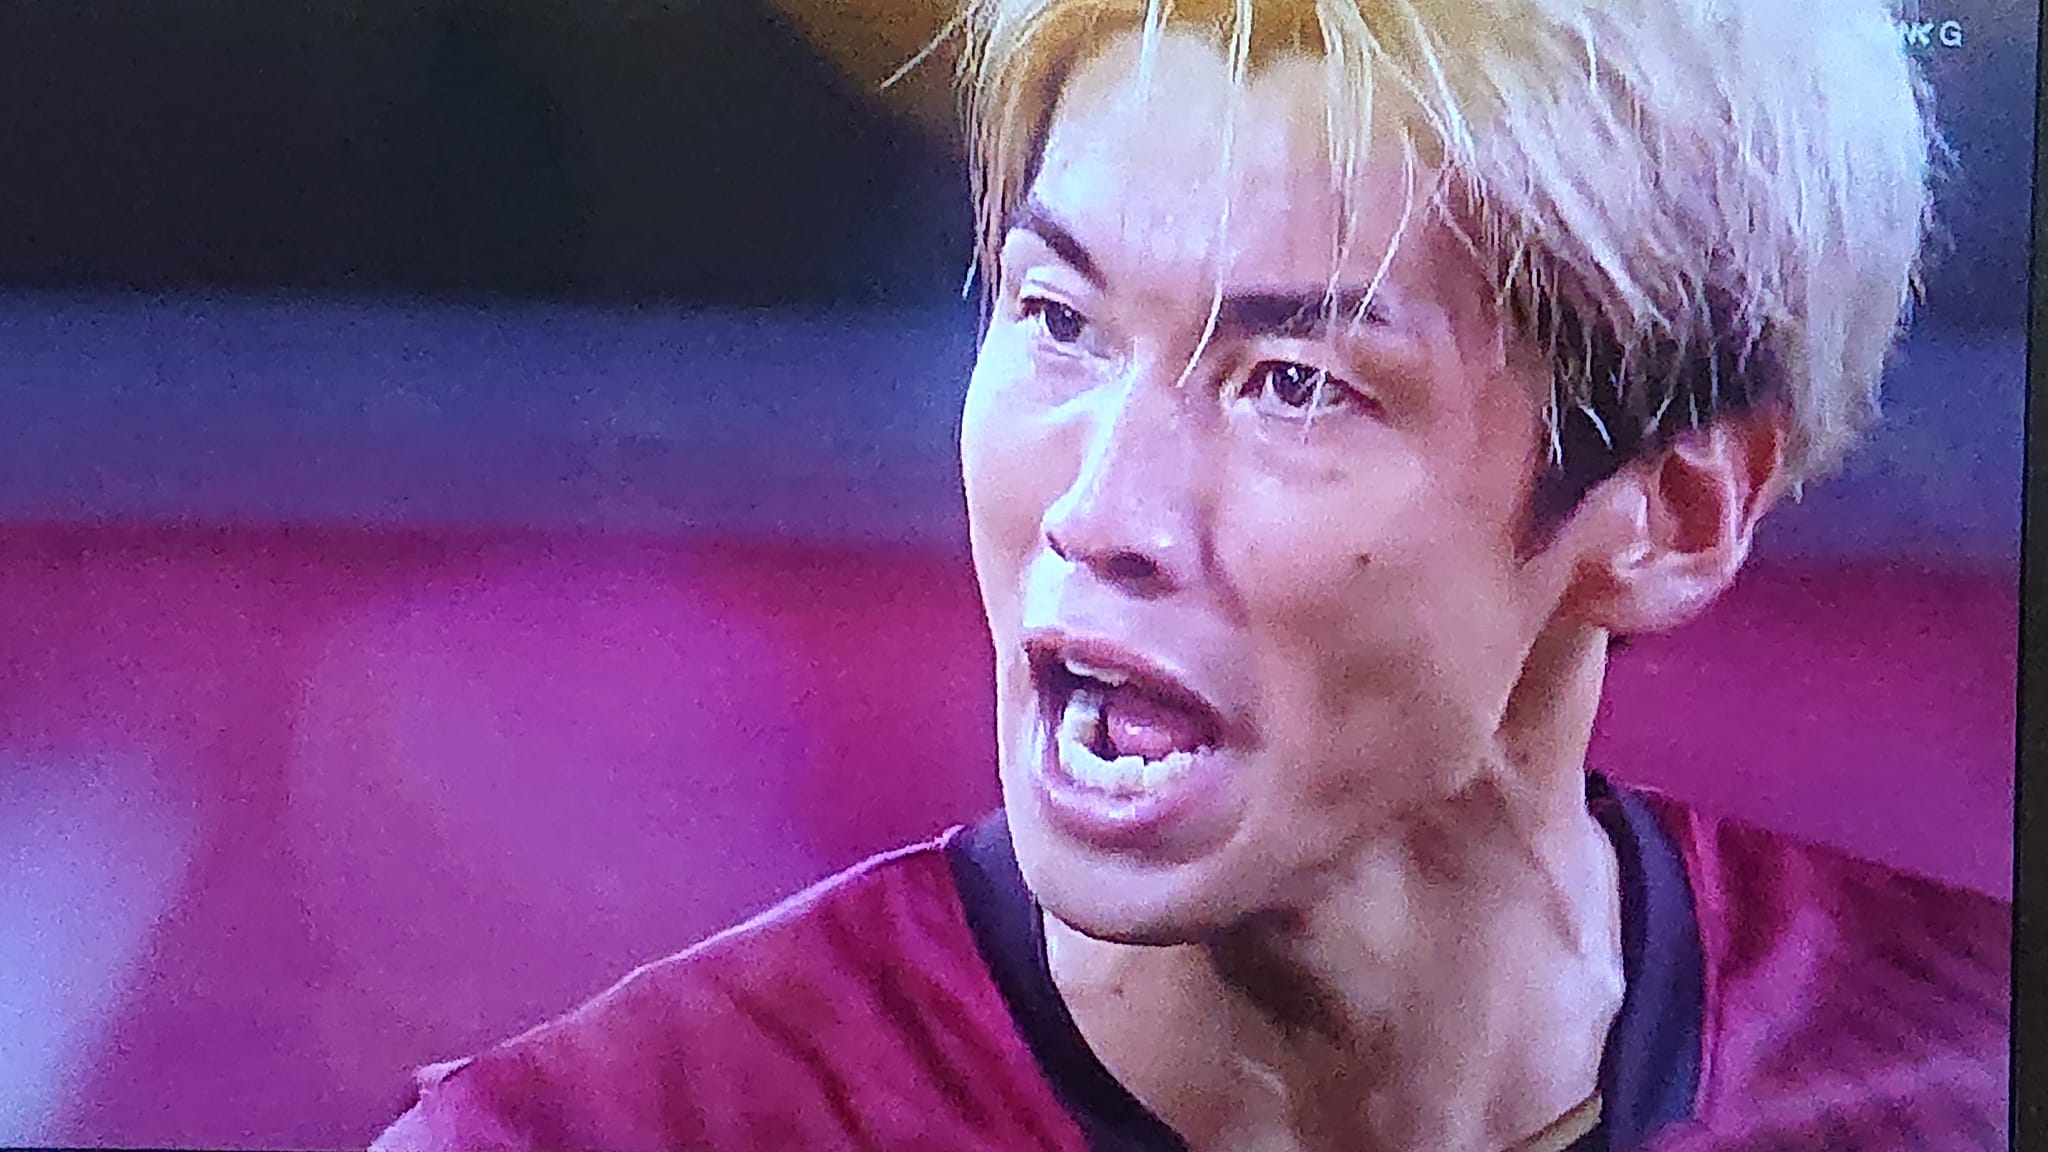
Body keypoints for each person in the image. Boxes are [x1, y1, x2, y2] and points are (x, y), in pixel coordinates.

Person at [371, 1, 2012, 1149]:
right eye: (1056, 319)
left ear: (1674, 514)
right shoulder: (618, 1131)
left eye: (1296, 384)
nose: (1102, 511)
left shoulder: (1967, 1077)